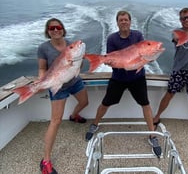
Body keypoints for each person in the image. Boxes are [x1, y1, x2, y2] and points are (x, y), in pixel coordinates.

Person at [85, 10, 162, 157]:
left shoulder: (138, 36)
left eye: (126, 19)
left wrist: (149, 58)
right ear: (117, 22)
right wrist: (108, 62)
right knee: (106, 103)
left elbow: (145, 55)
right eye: (121, 20)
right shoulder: (112, 39)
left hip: (137, 78)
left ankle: (152, 135)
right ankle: (94, 124)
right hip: (118, 78)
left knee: (145, 104)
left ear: (130, 21)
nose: (124, 22)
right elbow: (112, 61)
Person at [38, 18, 89, 174]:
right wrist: (41, 82)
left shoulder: (70, 44)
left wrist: (79, 60)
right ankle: (45, 161)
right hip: (57, 86)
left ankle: (74, 116)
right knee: (56, 121)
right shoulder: (43, 48)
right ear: (48, 31)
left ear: (63, 29)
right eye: (51, 28)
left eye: (58, 27)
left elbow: (78, 66)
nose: (55, 30)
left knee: (85, 102)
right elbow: (42, 69)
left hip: (75, 82)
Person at [153, 7, 188, 135]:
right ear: (180, 20)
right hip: (179, 70)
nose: (187, 20)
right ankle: (157, 116)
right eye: (184, 18)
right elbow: (176, 39)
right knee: (169, 94)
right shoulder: (176, 32)